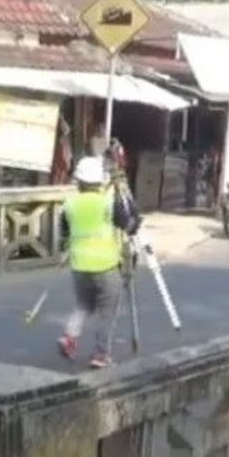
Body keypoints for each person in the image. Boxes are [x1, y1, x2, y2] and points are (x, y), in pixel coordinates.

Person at [58, 156, 140, 369]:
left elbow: (65, 234)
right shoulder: (107, 203)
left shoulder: (69, 204)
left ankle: (69, 337)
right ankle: (101, 354)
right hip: (105, 266)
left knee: (83, 305)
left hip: (79, 266)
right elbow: (129, 227)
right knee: (107, 312)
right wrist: (135, 215)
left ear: (79, 181)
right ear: (100, 181)